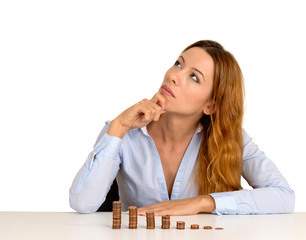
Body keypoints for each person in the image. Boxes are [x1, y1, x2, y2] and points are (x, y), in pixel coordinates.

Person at [69, 40, 295, 215]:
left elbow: (284, 196)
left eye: (194, 77)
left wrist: (203, 202)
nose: (174, 76)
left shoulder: (230, 138)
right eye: (178, 63)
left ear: (211, 105)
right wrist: (119, 126)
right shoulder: (122, 132)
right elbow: (82, 203)